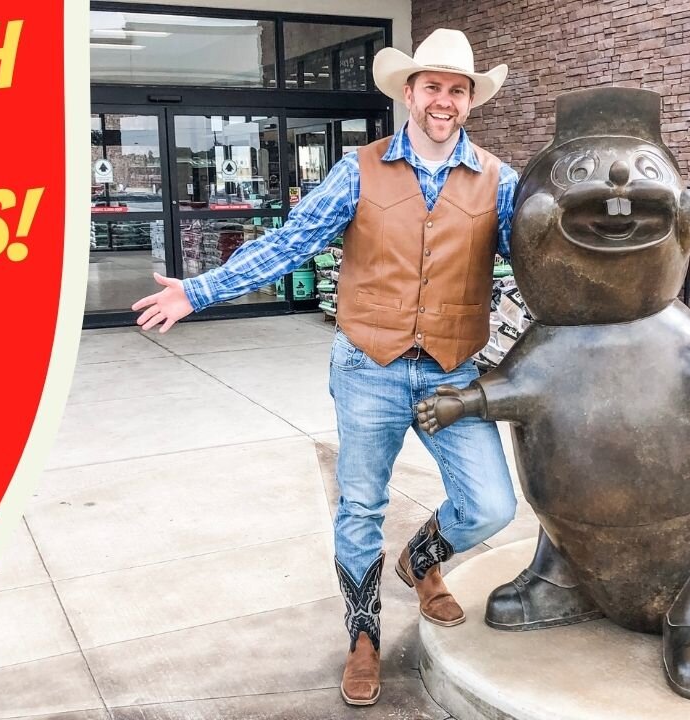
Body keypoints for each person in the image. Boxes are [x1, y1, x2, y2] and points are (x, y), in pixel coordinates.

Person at [131, 28, 518, 706]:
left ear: (470, 101)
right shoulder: (358, 169)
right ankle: (363, 635)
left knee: (491, 505)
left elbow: (540, 255)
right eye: (432, 86)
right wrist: (197, 291)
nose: (444, 100)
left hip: (454, 372)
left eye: (457, 90)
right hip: (369, 366)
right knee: (361, 506)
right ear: (408, 92)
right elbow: (290, 242)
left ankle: (421, 560)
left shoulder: (499, 179)